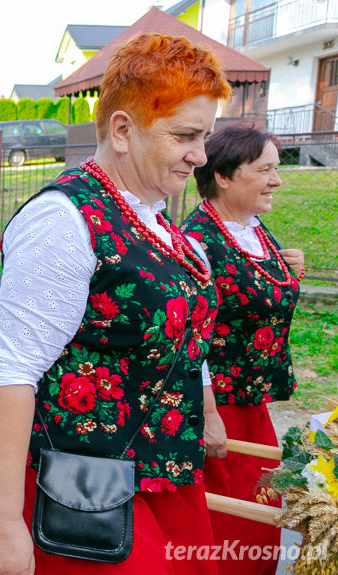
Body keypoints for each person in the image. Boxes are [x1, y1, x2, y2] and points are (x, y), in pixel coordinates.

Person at [0, 33, 232, 575]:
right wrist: (0, 520)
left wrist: (206, 413)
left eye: (205, 136)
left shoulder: (151, 214)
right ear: (122, 129)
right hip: (88, 491)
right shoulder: (63, 220)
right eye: (186, 135)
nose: (201, 154)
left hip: (165, 477)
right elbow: (13, 369)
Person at [182, 124, 304, 575]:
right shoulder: (197, 239)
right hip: (218, 408)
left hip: (254, 403)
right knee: (232, 524)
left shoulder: (251, 227)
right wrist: (210, 413)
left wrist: (291, 268)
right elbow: (188, 334)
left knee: (265, 515)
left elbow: (256, 290)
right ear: (225, 176)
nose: (277, 179)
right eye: (266, 169)